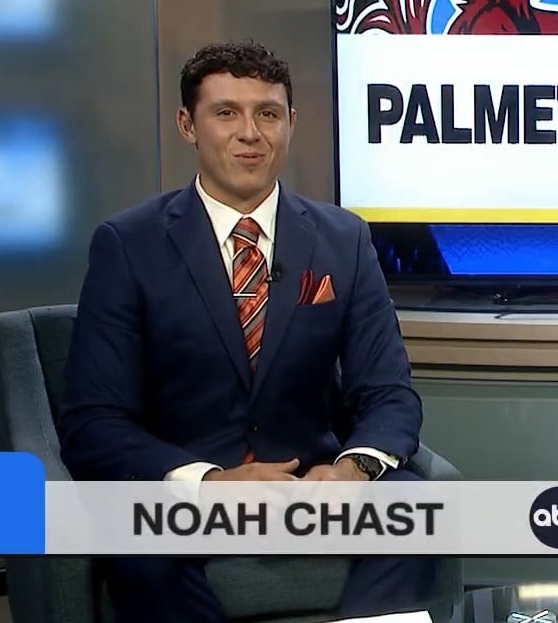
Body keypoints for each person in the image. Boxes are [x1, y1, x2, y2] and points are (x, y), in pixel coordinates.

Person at [57, 40, 435, 622]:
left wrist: (350, 470)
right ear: (188, 125)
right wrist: (208, 481)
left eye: (268, 114)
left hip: (310, 486)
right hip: (187, 492)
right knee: (143, 546)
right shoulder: (128, 245)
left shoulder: (344, 239)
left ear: (291, 124)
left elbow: (388, 392)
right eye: (226, 113)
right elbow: (92, 421)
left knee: (414, 508)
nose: (250, 134)